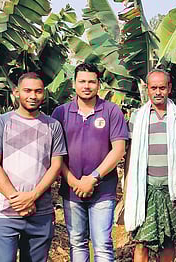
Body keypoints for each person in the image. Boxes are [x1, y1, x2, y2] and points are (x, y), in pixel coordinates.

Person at [0, 72, 67, 262]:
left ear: (43, 94)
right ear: (16, 92)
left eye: (38, 91)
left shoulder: (53, 126)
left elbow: (56, 165)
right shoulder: (1, 123)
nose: (33, 96)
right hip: (5, 212)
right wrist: (16, 199)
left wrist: (32, 197)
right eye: (27, 90)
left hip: (40, 211)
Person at [51, 63, 128, 262]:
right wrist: (75, 182)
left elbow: (118, 149)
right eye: (82, 81)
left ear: (98, 84)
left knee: (102, 243)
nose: (87, 86)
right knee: (77, 243)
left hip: (103, 190)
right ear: (74, 84)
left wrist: (92, 178)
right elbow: (55, 154)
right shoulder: (60, 113)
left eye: (91, 81)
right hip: (71, 190)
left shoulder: (111, 111)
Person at [124, 69, 176, 262]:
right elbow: (130, 153)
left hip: (170, 189)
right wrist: (128, 185)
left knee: (168, 240)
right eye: (153, 88)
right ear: (147, 89)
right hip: (145, 188)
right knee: (142, 241)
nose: (158, 92)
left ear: (169, 88)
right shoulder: (137, 117)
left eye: (162, 87)